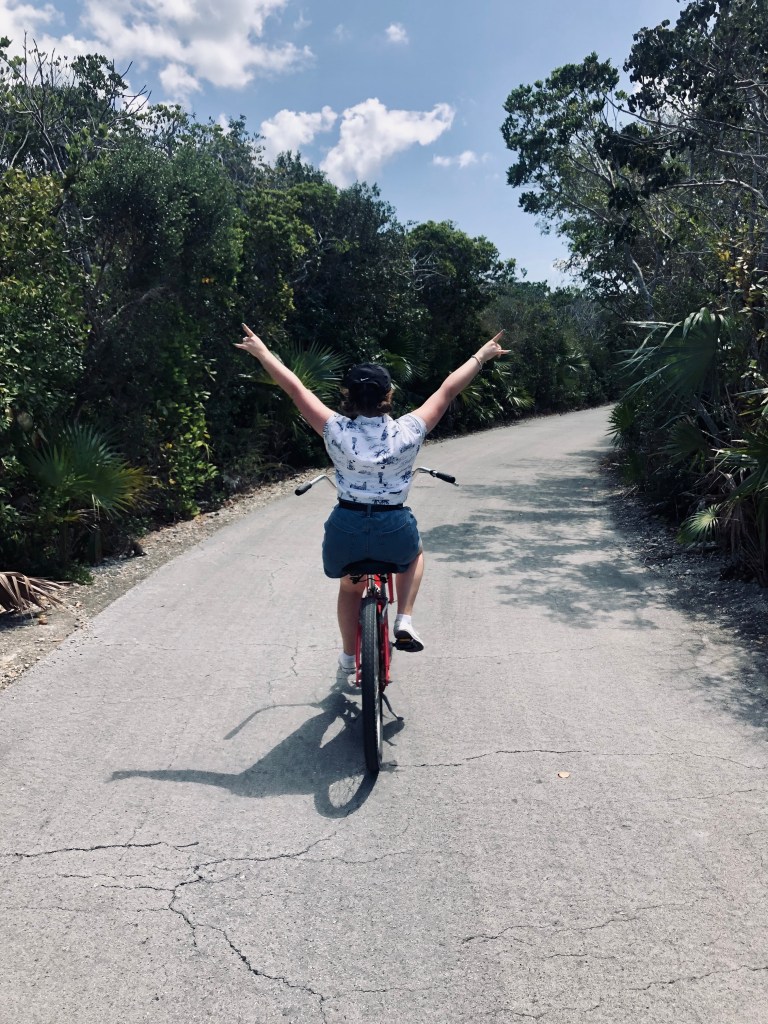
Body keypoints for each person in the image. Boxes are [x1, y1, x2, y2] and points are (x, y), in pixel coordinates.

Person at [235, 324, 509, 673]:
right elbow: (448, 388)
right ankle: (405, 619)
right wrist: (481, 356)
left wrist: (262, 352)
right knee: (414, 556)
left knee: (351, 588)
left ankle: (349, 658)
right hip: (393, 528)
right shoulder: (410, 430)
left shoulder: (334, 428)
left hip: (346, 529)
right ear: (388, 395)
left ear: (347, 395)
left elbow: (295, 388)